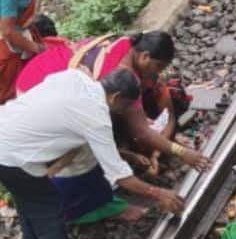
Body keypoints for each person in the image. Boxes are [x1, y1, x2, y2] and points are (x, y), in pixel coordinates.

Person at [0, 68, 185, 239]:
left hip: (5, 131)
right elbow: (120, 176)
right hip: (13, 156)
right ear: (115, 98)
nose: (124, 112)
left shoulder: (75, 77)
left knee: (29, 204)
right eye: (125, 106)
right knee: (48, 210)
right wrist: (159, 193)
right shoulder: (96, 118)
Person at [16, 31, 210, 223]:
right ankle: (81, 209)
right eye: (158, 67)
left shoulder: (126, 44)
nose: (157, 73)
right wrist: (181, 155)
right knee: (81, 156)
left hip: (38, 78)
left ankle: (96, 193)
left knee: (94, 145)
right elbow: (141, 131)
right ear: (144, 56)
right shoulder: (122, 75)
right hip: (38, 97)